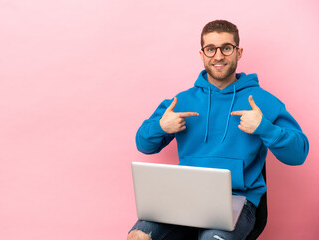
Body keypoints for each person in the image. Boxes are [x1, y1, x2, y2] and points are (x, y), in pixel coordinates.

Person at [127, 20, 309, 240]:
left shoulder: (262, 101)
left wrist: (265, 128)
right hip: (183, 196)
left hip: (236, 199)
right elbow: (143, 145)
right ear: (202, 54)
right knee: (138, 236)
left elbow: (299, 154)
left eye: (226, 48)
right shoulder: (181, 101)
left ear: (238, 52)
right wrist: (160, 127)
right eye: (211, 49)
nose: (218, 56)